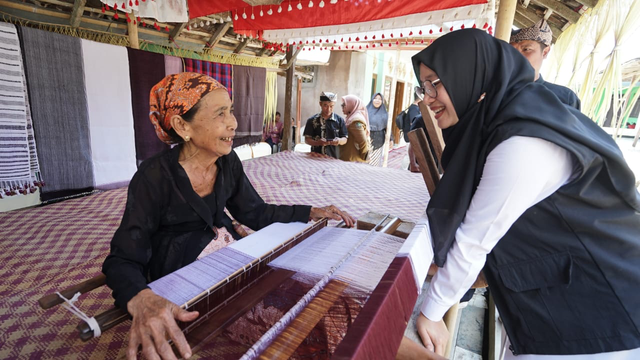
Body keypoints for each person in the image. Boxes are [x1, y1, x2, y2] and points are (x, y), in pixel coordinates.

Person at [411, 30, 640, 359]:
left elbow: (477, 237)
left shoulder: (522, 140)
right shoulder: (500, 121)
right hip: (562, 300)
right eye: (424, 86)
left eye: (436, 82)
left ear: (471, 74)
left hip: (603, 312)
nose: (428, 97)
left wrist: (431, 312)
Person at [102, 73, 355, 360]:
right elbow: (123, 258)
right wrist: (142, 298)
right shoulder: (154, 177)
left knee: (321, 303)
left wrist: (308, 212)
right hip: (187, 278)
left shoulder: (227, 161)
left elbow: (254, 212)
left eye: (231, 110)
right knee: (290, 325)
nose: (233, 122)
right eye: (220, 114)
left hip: (230, 258)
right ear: (182, 126)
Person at [510, 19, 581, 110]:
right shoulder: (496, 92)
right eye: (512, 50)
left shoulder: (564, 98)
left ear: (545, 52)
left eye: (526, 49)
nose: (517, 56)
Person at [303, 91, 348, 158]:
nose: (328, 109)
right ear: (320, 104)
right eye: (325, 105)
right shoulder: (312, 120)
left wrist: (339, 141)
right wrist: (317, 143)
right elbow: (307, 139)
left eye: (331, 106)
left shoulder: (339, 120)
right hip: (315, 157)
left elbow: (345, 139)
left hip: (334, 158)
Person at [339, 94, 371, 163]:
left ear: (351, 105)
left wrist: (364, 156)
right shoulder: (351, 117)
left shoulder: (355, 121)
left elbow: (362, 141)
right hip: (351, 157)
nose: (342, 108)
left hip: (353, 159)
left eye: (344, 105)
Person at [366, 93, 391, 166]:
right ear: (372, 99)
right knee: (364, 160)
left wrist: (391, 139)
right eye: (375, 98)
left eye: (380, 99)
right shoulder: (365, 111)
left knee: (374, 162)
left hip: (378, 140)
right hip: (366, 138)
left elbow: (388, 127)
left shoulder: (385, 113)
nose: (377, 100)